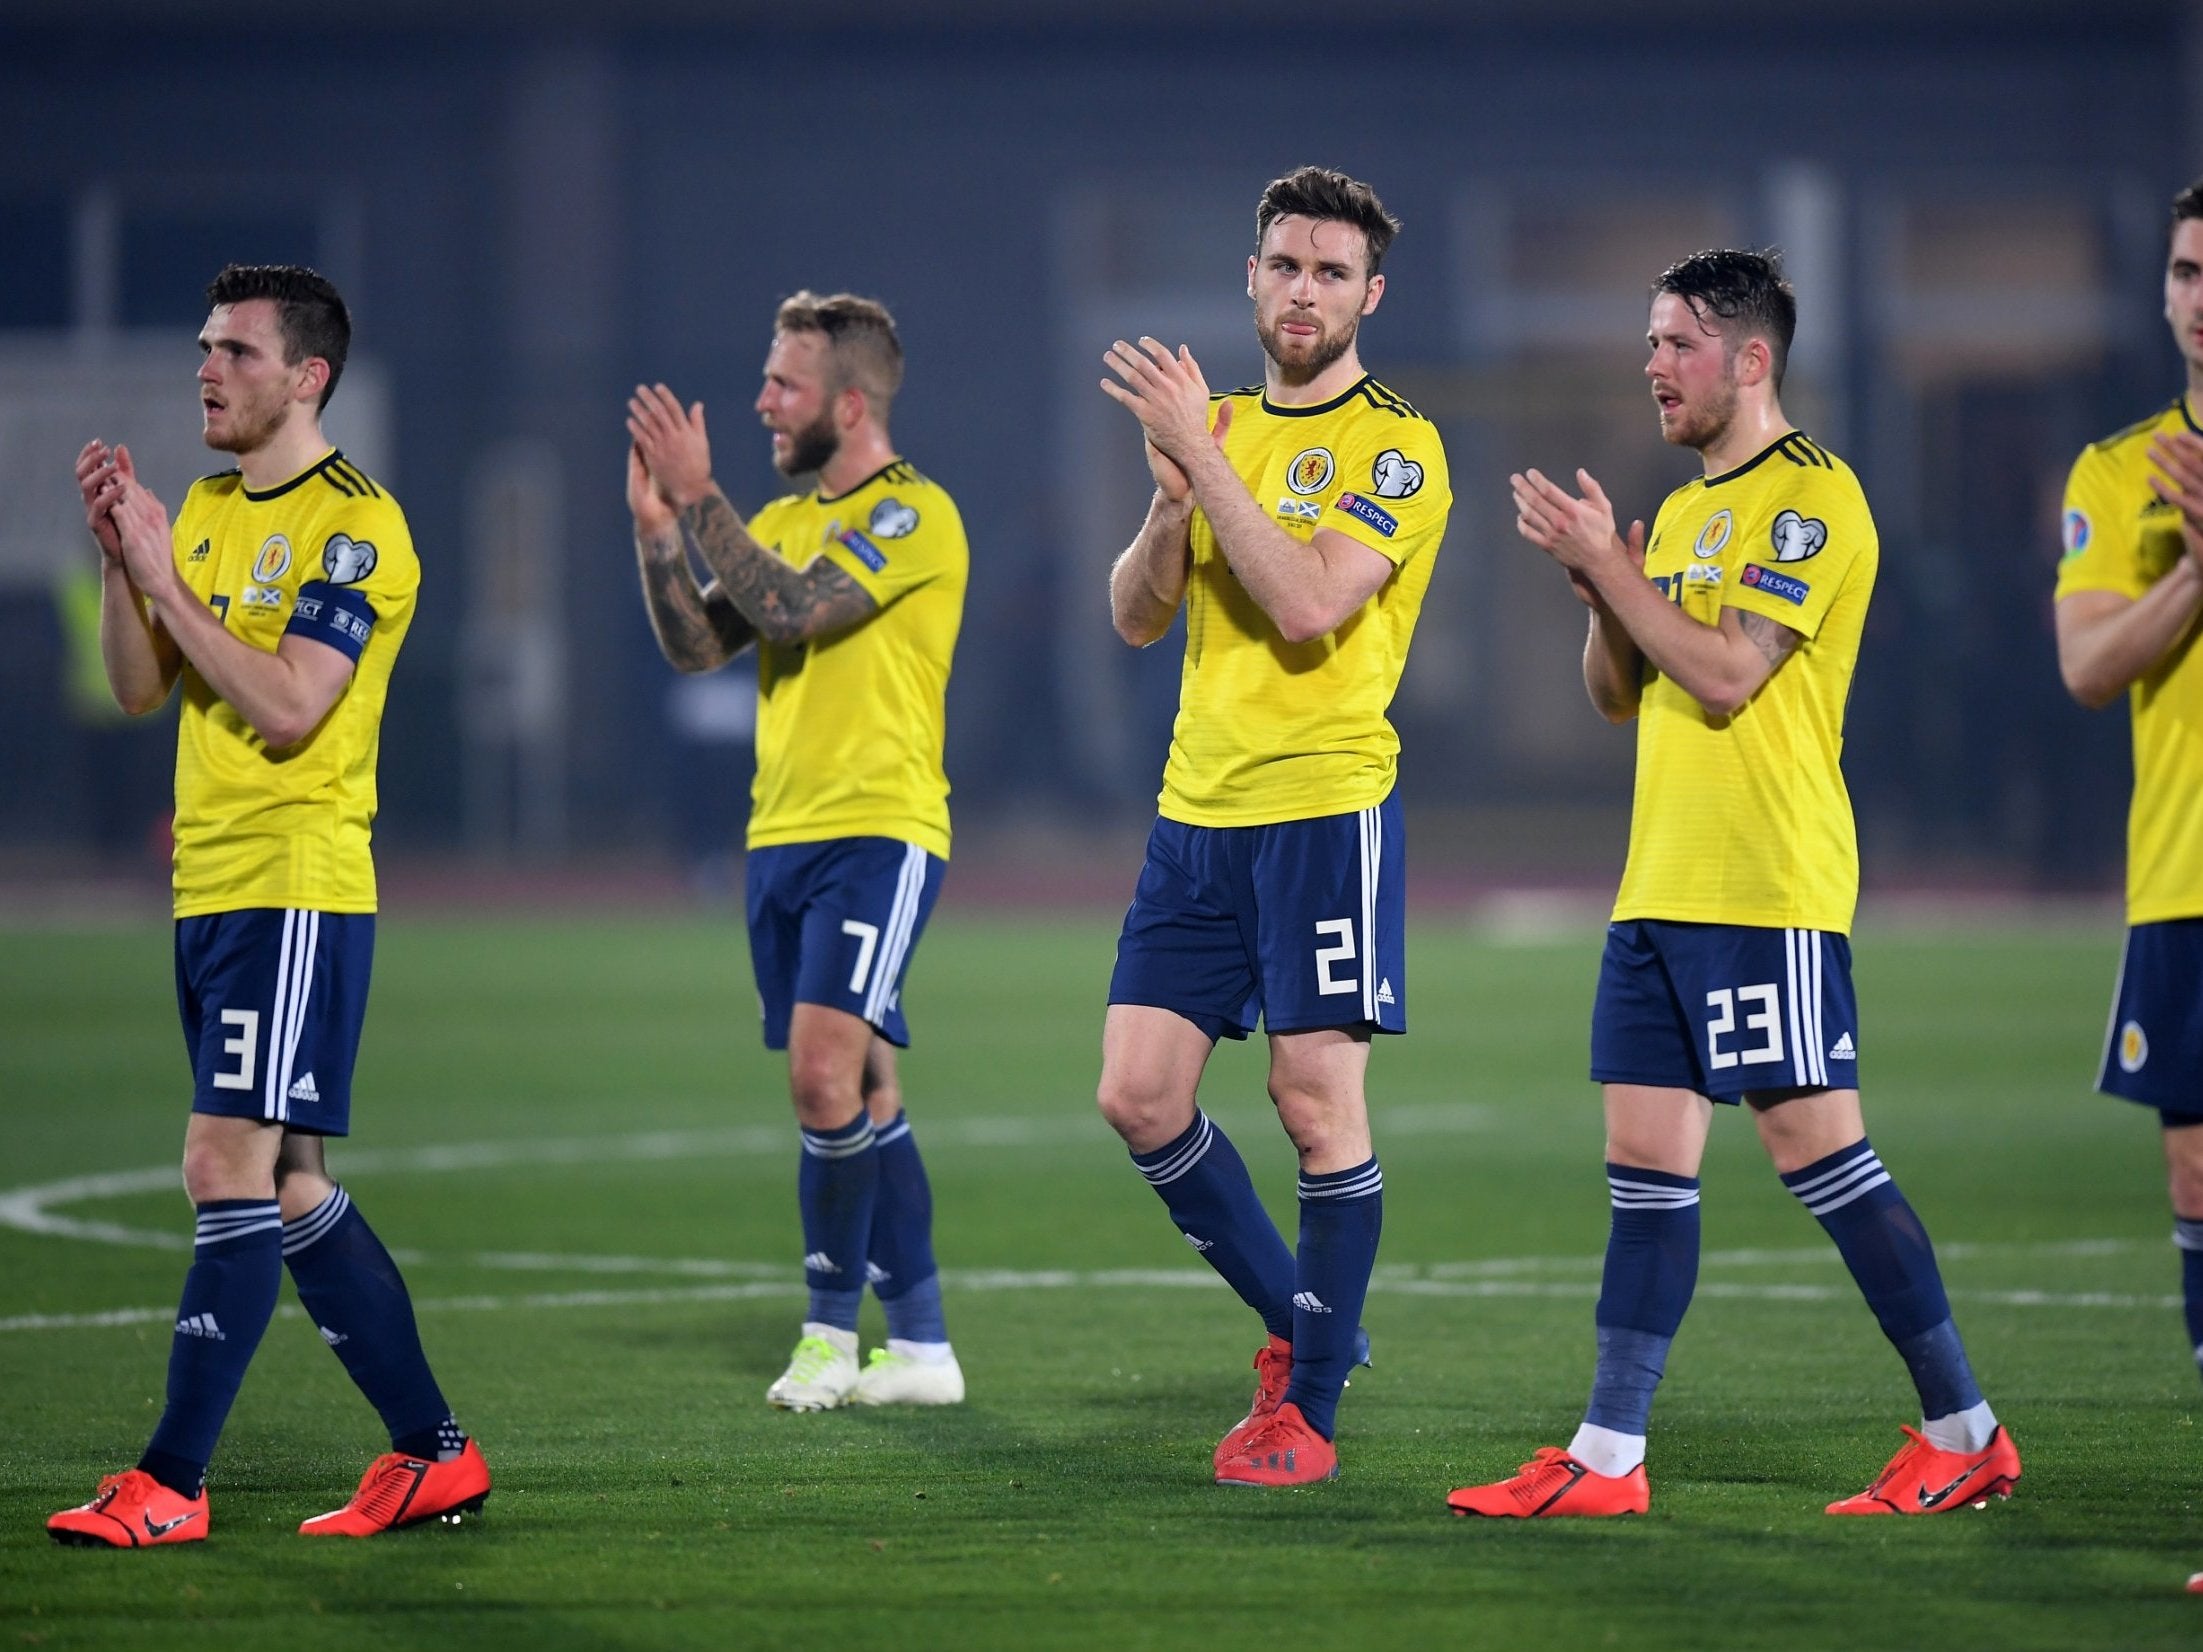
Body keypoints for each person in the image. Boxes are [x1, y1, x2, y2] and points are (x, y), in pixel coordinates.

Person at [1447, 249, 2018, 1519]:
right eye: (1648, 341)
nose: (1652, 365)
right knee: (1643, 1169)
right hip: (1657, 885)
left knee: (1821, 1155)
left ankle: (1965, 1425)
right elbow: (1619, 692)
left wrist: (1622, 575)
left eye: (1675, 344)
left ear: (1750, 358)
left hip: (1764, 883)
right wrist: (1603, 585)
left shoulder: (1812, 502)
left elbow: (1725, 675)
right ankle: (1606, 1455)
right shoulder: (1690, 506)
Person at [47, 265, 488, 1547]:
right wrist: (127, 558)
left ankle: (171, 1482)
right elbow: (141, 685)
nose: (206, 367)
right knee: (289, 1184)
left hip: (295, 880)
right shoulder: (204, 505)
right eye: (203, 345)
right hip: (213, 884)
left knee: (220, 1163)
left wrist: (169, 581)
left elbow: (295, 707)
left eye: (235, 350)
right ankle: (434, 1453)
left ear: (309, 377)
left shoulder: (359, 527)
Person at [1095, 166, 1450, 1487]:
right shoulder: (1219, 428)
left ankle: (1304, 1411)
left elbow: (1307, 606)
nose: (1303, 289)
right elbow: (1136, 613)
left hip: (1322, 810)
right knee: (1136, 1098)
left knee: (1311, 1104)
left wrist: (1201, 456)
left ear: (1368, 295)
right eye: (1283, 265)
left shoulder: (1397, 445)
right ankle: (1306, 1332)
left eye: (1329, 271)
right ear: (1251, 279)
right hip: (1195, 813)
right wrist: (1171, 500)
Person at [626, 291, 967, 1410]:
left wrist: (702, 494)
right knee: (863, 1085)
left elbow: (790, 613)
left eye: (784, 384)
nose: (762, 400)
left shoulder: (917, 516)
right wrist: (658, 534)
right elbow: (697, 643)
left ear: (851, 403)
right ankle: (920, 1348)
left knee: (820, 1073)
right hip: (780, 833)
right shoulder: (772, 519)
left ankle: (826, 1332)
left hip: (879, 829)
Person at [2052, 180, 2203, 1593]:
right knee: (2195, 1174)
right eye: (2181, 268)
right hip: (2178, 877)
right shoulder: (2117, 473)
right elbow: (2089, 668)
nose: (2197, 294)